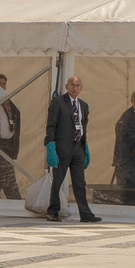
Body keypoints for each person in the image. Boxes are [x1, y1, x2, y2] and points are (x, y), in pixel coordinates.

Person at [42, 73, 100, 223]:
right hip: (62, 147)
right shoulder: (58, 102)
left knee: (80, 182)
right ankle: (53, 211)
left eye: (77, 85)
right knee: (58, 180)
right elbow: (51, 125)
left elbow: (83, 126)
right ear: (67, 86)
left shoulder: (84, 105)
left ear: (81, 88)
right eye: (72, 85)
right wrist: (50, 144)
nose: (75, 87)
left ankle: (85, 213)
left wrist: (84, 146)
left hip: (78, 147)